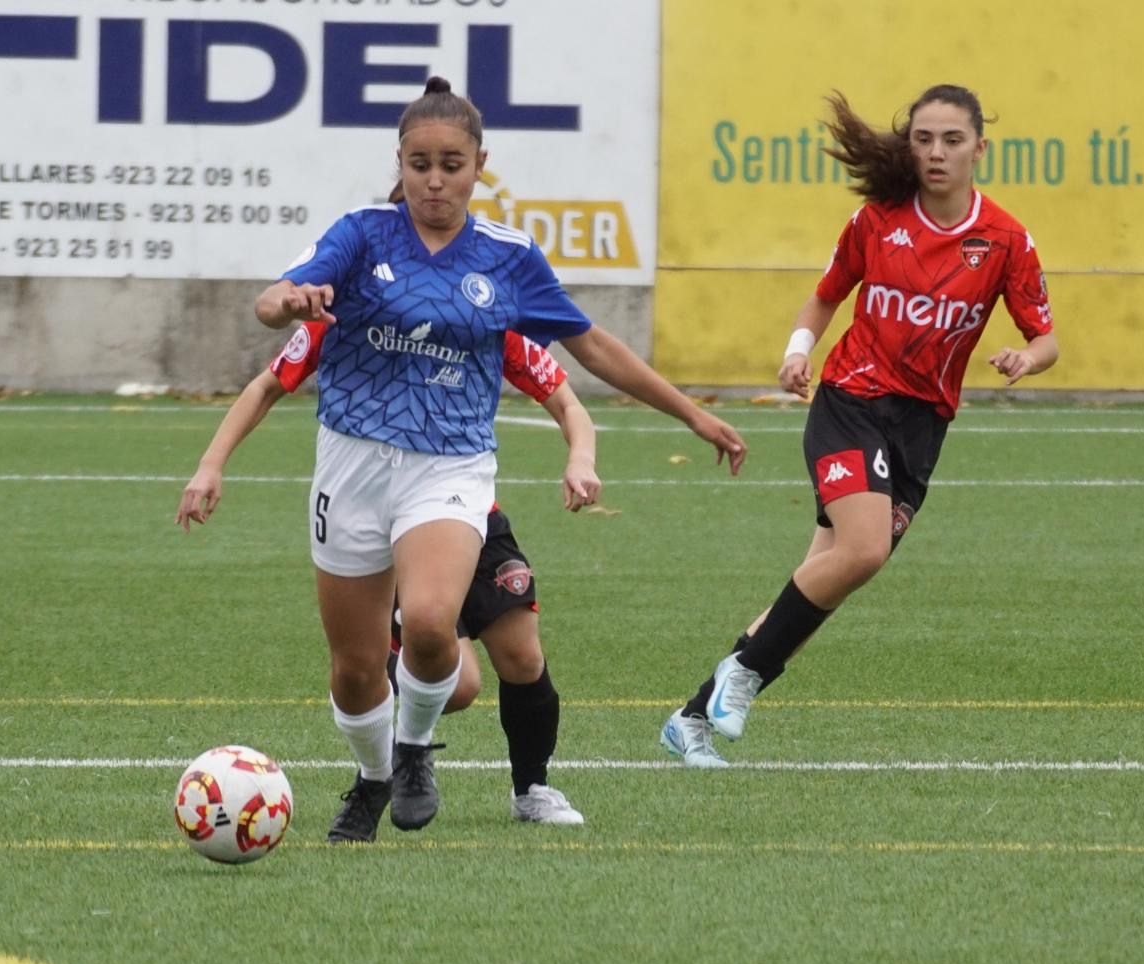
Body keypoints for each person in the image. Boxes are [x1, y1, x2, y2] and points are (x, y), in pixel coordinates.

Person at [249, 76, 746, 834]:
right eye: (420, 163)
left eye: (452, 163)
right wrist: (286, 300)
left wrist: (690, 413)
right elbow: (274, 297)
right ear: (401, 162)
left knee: (427, 621)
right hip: (350, 462)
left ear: (481, 163)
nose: (435, 180)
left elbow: (597, 348)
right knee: (353, 669)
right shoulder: (360, 232)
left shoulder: (509, 258)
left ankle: (413, 749)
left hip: (449, 464)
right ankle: (374, 774)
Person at [661, 84, 1058, 767]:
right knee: (864, 550)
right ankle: (745, 677)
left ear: (980, 149)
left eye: (952, 140)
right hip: (851, 402)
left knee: (825, 580)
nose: (935, 153)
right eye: (924, 139)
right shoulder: (878, 222)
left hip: (921, 428)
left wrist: (1028, 356)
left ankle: (693, 716)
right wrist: (796, 351)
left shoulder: (1004, 240)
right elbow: (825, 296)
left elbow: (1047, 336)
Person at [178, 317, 595, 831]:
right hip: (380, 517)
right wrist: (210, 464)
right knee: (457, 685)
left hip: (466, 510)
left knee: (523, 654)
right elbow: (269, 381)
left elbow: (567, 398)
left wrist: (581, 456)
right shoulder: (346, 310)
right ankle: (385, 764)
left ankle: (531, 788)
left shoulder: (480, 311)